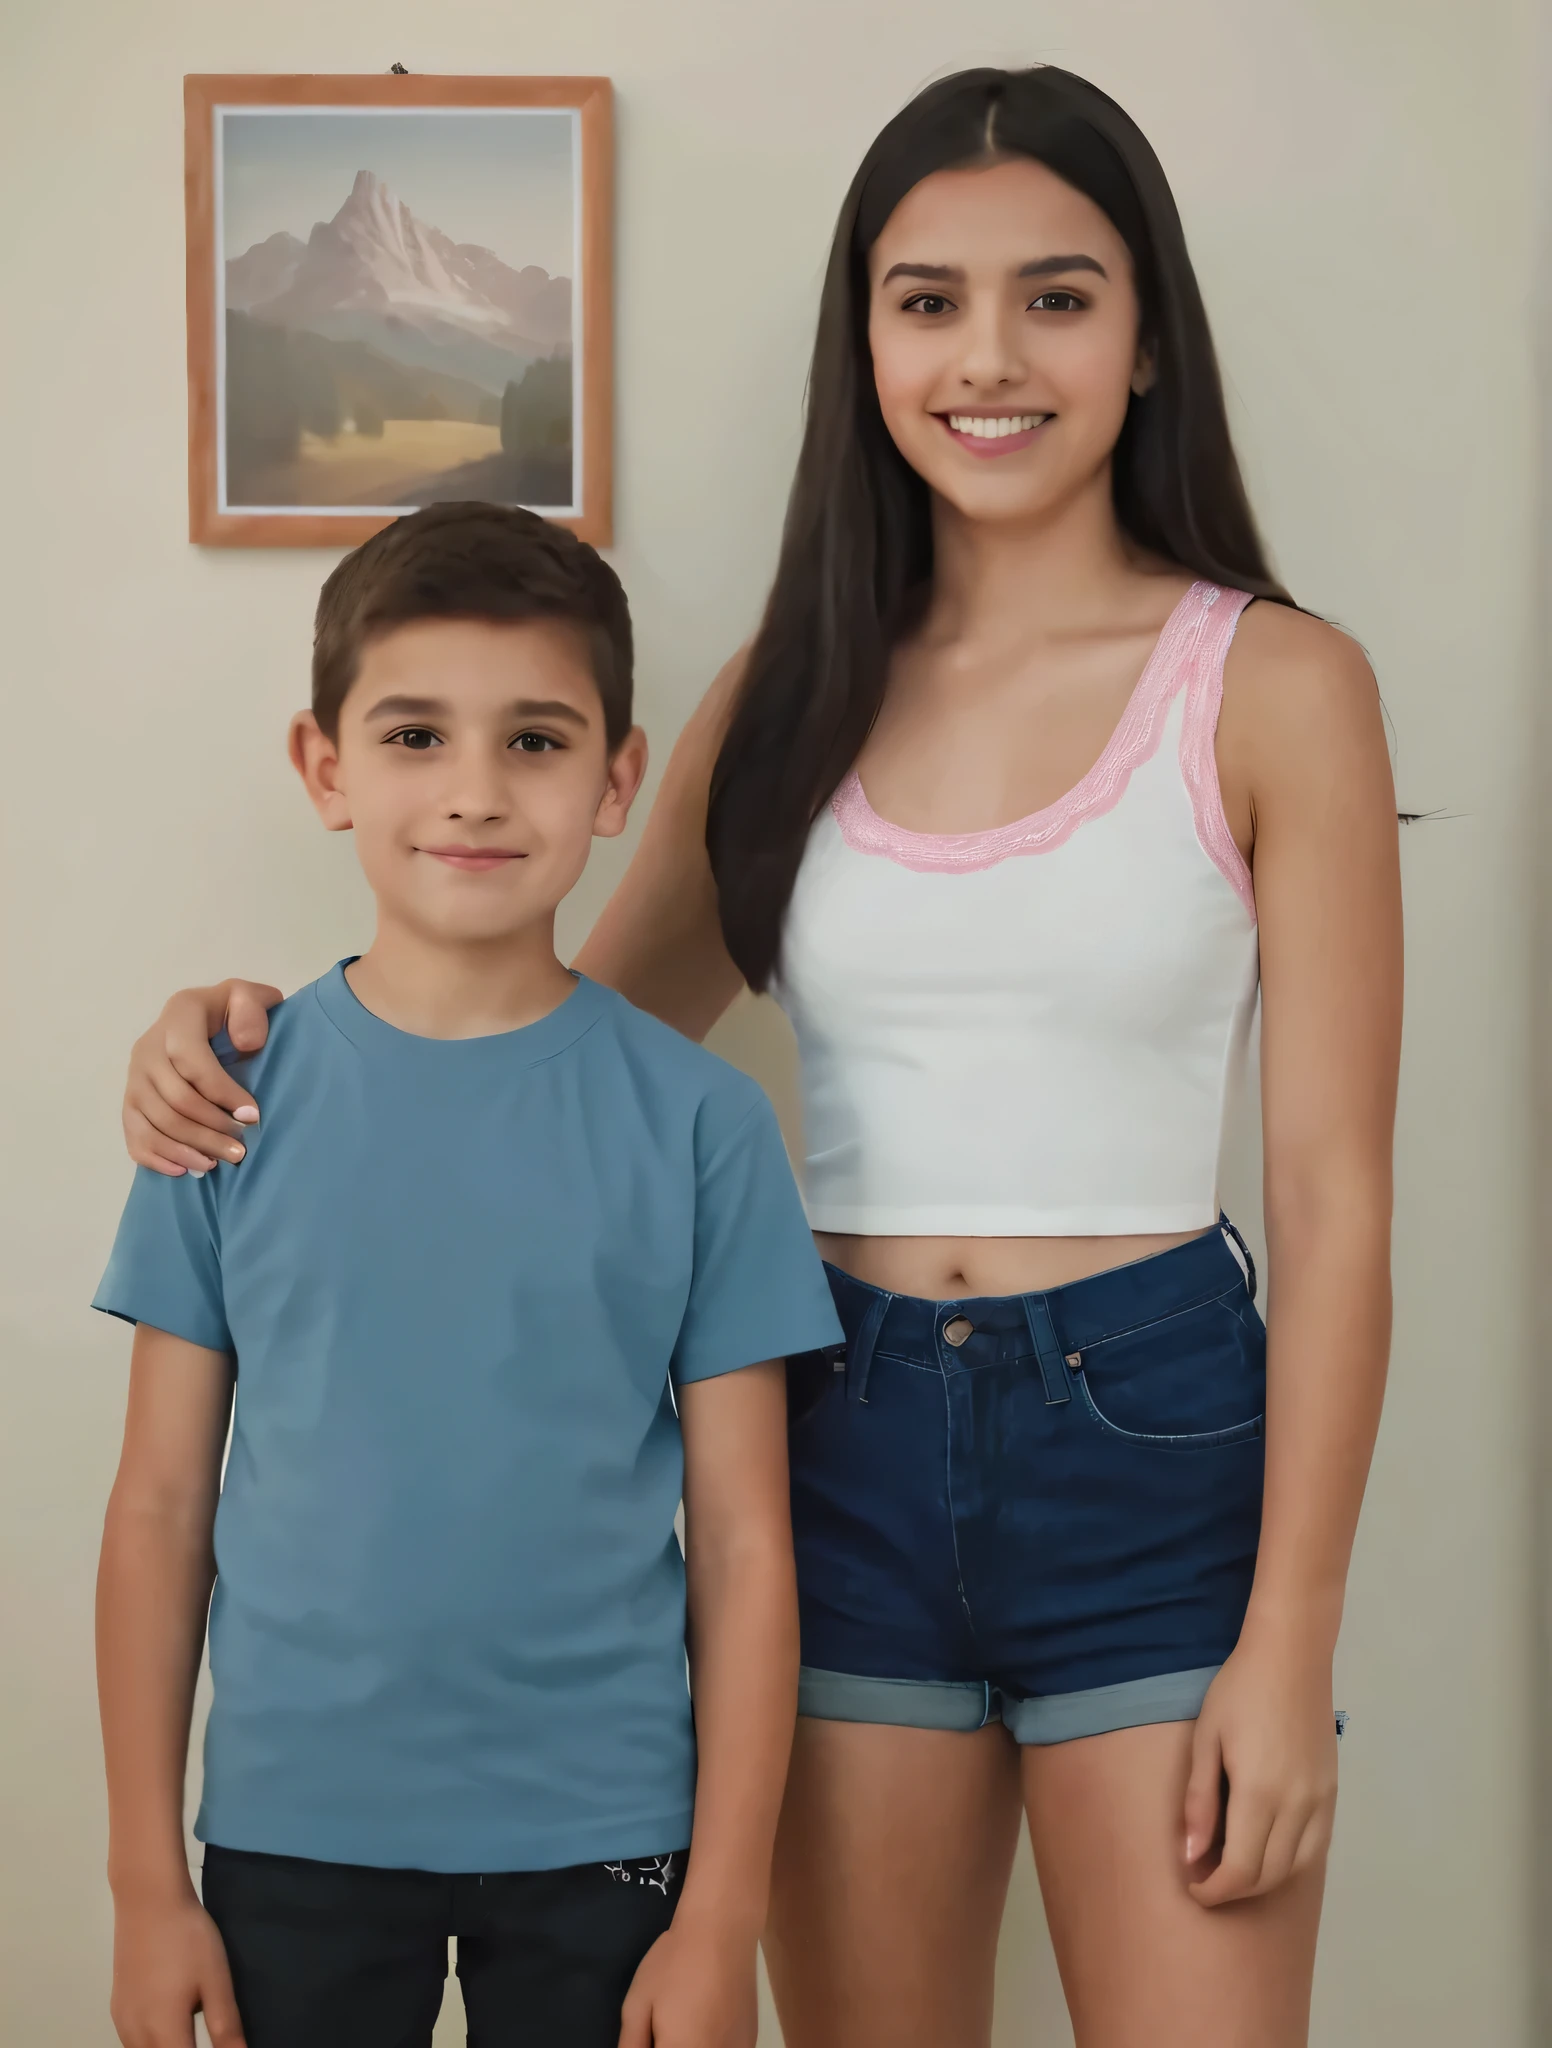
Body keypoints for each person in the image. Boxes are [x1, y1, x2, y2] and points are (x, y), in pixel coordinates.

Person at [118, 65, 1403, 2048]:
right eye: (927, 301)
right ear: (863, 344)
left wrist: (1290, 1638)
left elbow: (1331, 1199)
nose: (989, 357)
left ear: (1146, 340)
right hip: (834, 1445)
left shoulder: (1276, 684)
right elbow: (549, 1034)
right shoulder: (785, 695)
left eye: (1057, 298)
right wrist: (237, 1039)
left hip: (1151, 1449)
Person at [93, 503, 842, 2048]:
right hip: (295, 1827)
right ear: (326, 769)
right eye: (417, 736)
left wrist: (724, 1915)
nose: (477, 792)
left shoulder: (704, 1127)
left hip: (612, 1833)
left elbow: (745, 1544)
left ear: (618, 781)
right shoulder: (223, 1103)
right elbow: (160, 1509)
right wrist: (144, 1888)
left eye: (538, 742)